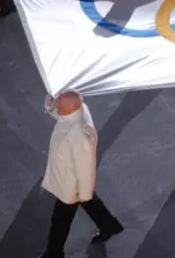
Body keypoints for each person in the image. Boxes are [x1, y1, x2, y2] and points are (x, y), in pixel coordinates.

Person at [39, 90, 124, 258]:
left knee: (60, 221)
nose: (56, 105)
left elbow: (86, 169)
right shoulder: (78, 110)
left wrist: (81, 193)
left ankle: (54, 254)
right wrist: (50, 107)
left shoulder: (81, 137)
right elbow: (63, 116)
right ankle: (109, 225)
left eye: (59, 104)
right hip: (71, 178)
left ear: (71, 108)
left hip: (71, 185)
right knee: (89, 202)